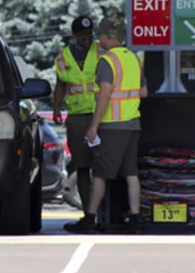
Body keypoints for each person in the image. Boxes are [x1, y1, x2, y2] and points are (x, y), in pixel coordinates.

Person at [64, 15, 148, 233]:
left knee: (100, 175)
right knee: (131, 173)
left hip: (113, 126)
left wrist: (93, 127)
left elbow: (104, 96)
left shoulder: (107, 61)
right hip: (132, 124)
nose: (98, 39)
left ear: (108, 37)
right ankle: (136, 217)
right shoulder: (133, 58)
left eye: (100, 35)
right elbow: (144, 92)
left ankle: (89, 218)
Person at [53, 16, 103, 216]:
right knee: (82, 166)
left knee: (103, 167)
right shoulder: (64, 57)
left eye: (89, 35)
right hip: (77, 117)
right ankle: (88, 212)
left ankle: (103, 212)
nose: (87, 39)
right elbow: (61, 85)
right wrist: (56, 108)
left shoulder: (101, 51)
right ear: (74, 35)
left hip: (101, 115)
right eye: (82, 36)